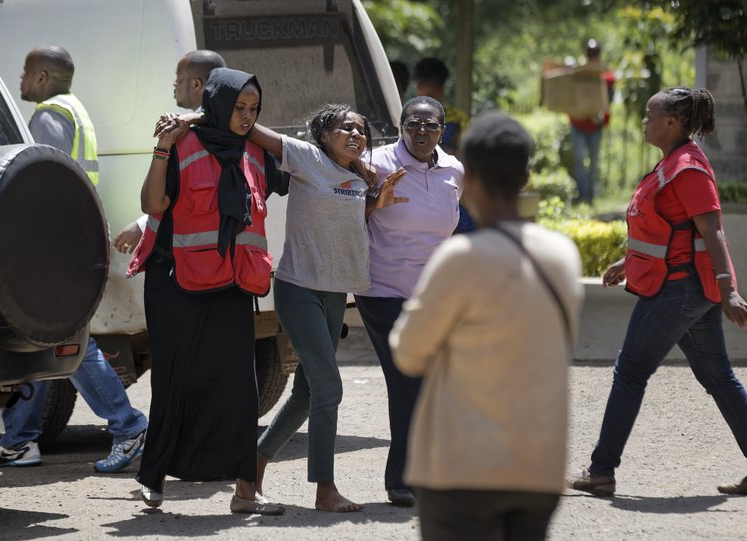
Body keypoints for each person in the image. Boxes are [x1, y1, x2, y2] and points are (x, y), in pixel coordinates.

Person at [567, 87, 747, 497]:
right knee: (718, 376)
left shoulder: (688, 169)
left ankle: (601, 470)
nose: (644, 121)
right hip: (682, 286)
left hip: (678, 290)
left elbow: (712, 232)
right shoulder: (673, 164)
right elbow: (668, 229)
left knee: (629, 372)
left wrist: (729, 290)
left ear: (673, 122)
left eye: (651, 115)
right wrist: (628, 262)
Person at [390, 111, 583, 540]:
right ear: (526, 178)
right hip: (539, 467)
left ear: (468, 178)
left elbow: (407, 353)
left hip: (463, 468)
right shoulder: (562, 255)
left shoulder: (459, 258)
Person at [0, 46, 148, 473]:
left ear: (41, 76)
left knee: (68, 344)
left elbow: (40, 184)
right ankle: (19, 441)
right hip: (67, 243)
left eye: (24, 73)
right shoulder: (75, 110)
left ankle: (128, 427)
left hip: (51, 248)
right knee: (38, 342)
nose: (19, 82)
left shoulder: (51, 115)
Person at [127, 67, 287, 514]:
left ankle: (245, 492)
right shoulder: (180, 143)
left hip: (231, 283)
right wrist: (163, 147)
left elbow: (301, 164)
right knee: (174, 381)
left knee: (240, 387)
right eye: (238, 108)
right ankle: (154, 480)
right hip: (174, 281)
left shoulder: (255, 151)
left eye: (254, 109)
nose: (246, 117)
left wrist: (237, 124)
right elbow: (151, 204)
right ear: (218, 102)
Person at [244, 104, 407, 513]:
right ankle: (324, 490)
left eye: (360, 129)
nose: (355, 134)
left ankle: (250, 472)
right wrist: (205, 115)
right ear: (323, 133)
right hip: (299, 289)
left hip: (336, 293)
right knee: (329, 387)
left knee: (305, 393)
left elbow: (343, 223)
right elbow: (254, 130)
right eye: (344, 127)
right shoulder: (306, 157)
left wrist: (375, 204)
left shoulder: (359, 176)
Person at [353, 96, 463, 507]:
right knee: (408, 381)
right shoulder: (374, 163)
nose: (421, 132)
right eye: (413, 124)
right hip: (383, 290)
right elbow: (346, 216)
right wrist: (371, 202)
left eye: (430, 126)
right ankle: (401, 480)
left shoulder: (453, 169)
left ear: (442, 130)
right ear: (400, 126)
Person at [113, 50, 226, 254]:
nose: (174, 84)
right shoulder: (225, 127)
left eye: (179, 78)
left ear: (196, 85)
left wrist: (142, 225)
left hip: (192, 263)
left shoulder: (188, 135)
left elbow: (165, 201)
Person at [413, 57, 473, 234]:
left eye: (433, 93)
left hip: (450, 193)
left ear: (442, 90)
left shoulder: (457, 119)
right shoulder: (406, 116)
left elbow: (464, 157)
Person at [568, 39, 615, 204]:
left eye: (594, 53)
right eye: (590, 53)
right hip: (577, 123)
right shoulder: (578, 72)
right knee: (579, 159)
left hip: (595, 125)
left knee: (594, 162)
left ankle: (591, 196)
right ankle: (582, 195)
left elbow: (609, 99)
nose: (592, 56)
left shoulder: (605, 76)